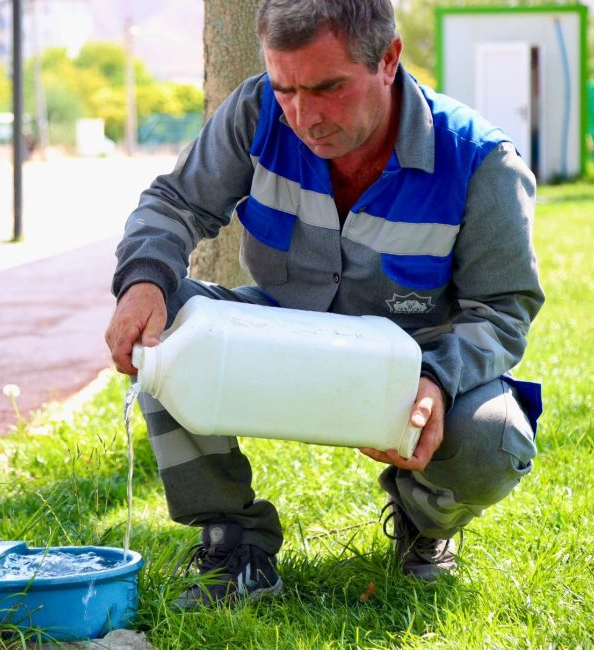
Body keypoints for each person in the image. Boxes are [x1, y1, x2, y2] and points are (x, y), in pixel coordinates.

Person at [104, 0, 545, 607]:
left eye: (328, 87)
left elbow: (502, 309)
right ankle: (232, 542)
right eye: (286, 88)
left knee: (495, 440)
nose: (304, 116)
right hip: (281, 334)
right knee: (167, 328)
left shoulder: (480, 162)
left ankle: (423, 520)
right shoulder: (257, 111)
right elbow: (174, 203)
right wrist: (143, 281)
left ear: (388, 59)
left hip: (413, 364)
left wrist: (437, 380)